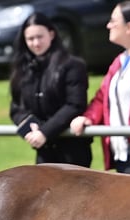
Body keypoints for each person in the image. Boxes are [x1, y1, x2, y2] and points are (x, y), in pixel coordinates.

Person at [69, 1, 130, 174]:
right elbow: (102, 98)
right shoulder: (120, 61)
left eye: (113, 21)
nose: (108, 25)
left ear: (129, 26)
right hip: (123, 152)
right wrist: (88, 118)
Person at [9, 12, 92, 167]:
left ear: (51, 34)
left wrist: (45, 132)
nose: (35, 43)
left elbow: (75, 104)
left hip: (72, 150)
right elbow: (16, 108)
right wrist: (29, 125)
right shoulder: (24, 69)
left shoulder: (72, 65)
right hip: (44, 150)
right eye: (30, 39)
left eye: (40, 37)